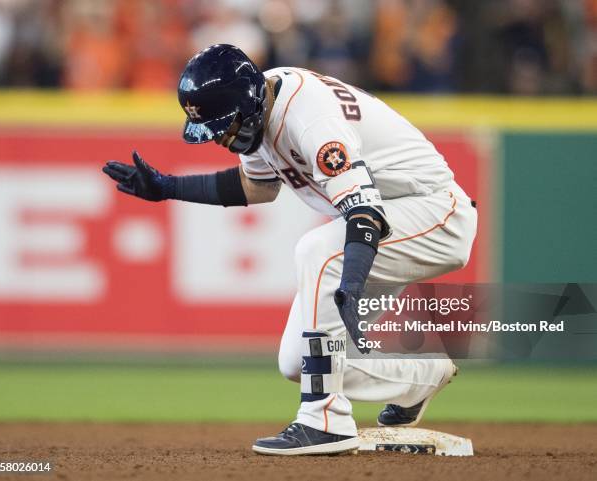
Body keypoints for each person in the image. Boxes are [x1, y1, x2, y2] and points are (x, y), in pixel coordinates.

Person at [102, 44, 477, 456]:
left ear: (248, 104)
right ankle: (417, 380)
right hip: (386, 217)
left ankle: (325, 420)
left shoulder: (310, 118)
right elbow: (255, 187)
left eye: (225, 126)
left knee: (318, 250)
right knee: (298, 362)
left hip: (435, 211)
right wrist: (170, 188)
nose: (224, 138)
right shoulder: (261, 106)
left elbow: (365, 212)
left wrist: (351, 280)